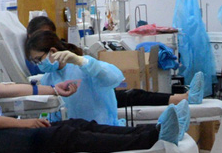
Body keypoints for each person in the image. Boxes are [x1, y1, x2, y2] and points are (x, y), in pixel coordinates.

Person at [0, 14, 187, 153]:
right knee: (65, 134)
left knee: (76, 125)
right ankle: (152, 139)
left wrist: (50, 88)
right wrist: (25, 123)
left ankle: (155, 132)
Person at [24, 29, 188, 121]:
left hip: (102, 127)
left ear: (53, 51)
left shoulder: (84, 65)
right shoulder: (48, 79)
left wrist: (82, 62)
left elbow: (115, 78)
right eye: (35, 62)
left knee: (133, 95)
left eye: (39, 59)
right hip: (75, 133)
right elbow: (50, 115)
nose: (39, 65)